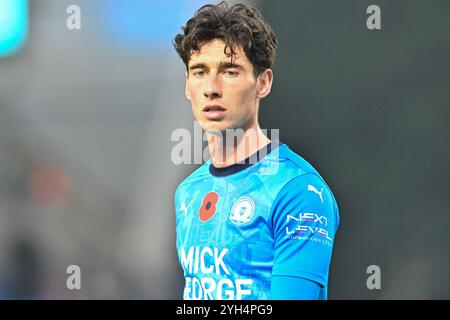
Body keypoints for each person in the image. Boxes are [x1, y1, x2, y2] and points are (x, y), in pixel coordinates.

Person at [173, 1, 339, 300]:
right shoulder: (187, 193)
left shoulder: (298, 191)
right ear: (187, 85)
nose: (212, 87)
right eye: (200, 71)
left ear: (263, 83)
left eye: (230, 71)